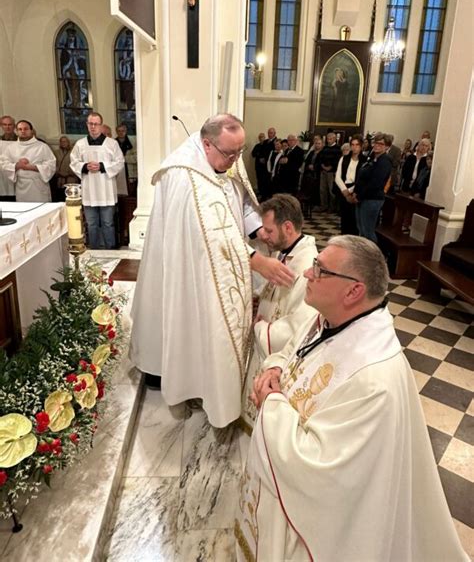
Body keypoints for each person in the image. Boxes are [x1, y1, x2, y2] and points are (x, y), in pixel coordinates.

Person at [236, 236, 469, 562]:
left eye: (320, 270)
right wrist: (275, 369)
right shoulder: (329, 320)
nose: (307, 274)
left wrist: (271, 402)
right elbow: (293, 353)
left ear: (353, 291)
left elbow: (319, 467)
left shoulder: (374, 380)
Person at [130, 114, 294, 428]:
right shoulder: (182, 175)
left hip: (220, 265)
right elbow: (205, 235)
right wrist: (257, 261)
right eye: (229, 154)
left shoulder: (225, 157)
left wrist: (256, 226)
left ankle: (209, 381)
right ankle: (179, 381)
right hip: (188, 268)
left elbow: (241, 198)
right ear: (207, 144)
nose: (235, 161)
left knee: (209, 329)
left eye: (240, 153)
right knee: (186, 326)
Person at [241, 194, 317, 428]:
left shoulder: (306, 265)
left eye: (269, 230)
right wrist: (259, 298)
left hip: (275, 353)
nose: (263, 235)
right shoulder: (284, 251)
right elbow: (275, 293)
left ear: (287, 227)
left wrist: (261, 327)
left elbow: (300, 325)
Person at [70, 112, 124, 249]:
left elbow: (119, 162)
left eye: (96, 124)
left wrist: (102, 166)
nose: (93, 127)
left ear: (101, 125)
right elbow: (73, 162)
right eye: (90, 124)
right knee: (91, 223)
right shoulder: (80, 144)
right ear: (87, 125)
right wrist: (84, 166)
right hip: (89, 190)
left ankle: (110, 250)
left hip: (106, 189)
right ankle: (93, 250)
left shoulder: (112, 144)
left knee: (107, 223)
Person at [0, 119, 55, 202]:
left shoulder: (42, 146)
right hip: (21, 186)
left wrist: (32, 167)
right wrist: (17, 165)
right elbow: (3, 163)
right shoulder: (11, 147)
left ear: (31, 131)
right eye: (20, 129)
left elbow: (51, 164)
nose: (23, 131)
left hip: (38, 185)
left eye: (26, 129)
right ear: (16, 131)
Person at [353, 132, 391, 243]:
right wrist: (356, 192)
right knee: (361, 229)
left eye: (381, 144)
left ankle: (373, 257)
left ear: (387, 146)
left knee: (368, 231)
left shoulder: (384, 161)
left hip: (372, 199)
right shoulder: (372, 159)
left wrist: (359, 196)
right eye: (375, 143)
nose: (377, 145)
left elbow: (375, 183)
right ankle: (363, 255)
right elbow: (361, 177)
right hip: (363, 197)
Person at [335, 134, 366, 235]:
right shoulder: (344, 158)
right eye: (352, 144)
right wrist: (345, 191)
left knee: (355, 221)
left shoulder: (365, 160)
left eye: (357, 145)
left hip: (356, 191)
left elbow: (362, 180)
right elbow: (338, 176)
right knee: (345, 219)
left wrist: (350, 192)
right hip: (344, 189)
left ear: (361, 146)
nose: (354, 147)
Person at [299, 135, 323, 214]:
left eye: (319, 143)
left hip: (317, 174)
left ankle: (315, 204)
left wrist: (315, 167)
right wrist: (309, 166)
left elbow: (321, 163)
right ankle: (306, 204)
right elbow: (306, 161)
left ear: (322, 144)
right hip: (309, 173)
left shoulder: (322, 153)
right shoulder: (312, 152)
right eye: (316, 143)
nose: (317, 145)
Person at [53, 135, 80, 201]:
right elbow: (54, 164)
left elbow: (76, 164)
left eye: (65, 141)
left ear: (68, 142)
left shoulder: (73, 152)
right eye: (62, 142)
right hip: (60, 179)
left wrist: (70, 173)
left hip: (71, 178)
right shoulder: (56, 152)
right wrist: (58, 172)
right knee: (60, 198)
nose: (63, 143)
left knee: (71, 197)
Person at [319, 132, 341, 212]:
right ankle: (324, 205)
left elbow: (337, 160)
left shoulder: (338, 148)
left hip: (332, 172)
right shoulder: (325, 148)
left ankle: (332, 207)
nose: (328, 140)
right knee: (322, 190)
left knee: (331, 190)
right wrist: (323, 166)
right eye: (328, 139)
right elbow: (320, 158)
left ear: (335, 139)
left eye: (330, 139)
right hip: (323, 171)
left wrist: (330, 167)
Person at [251, 131, 270, 200]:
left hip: (265, 167)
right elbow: (253, 154)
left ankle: (265, 195)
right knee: (259, 180)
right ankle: (260, 193)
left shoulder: (267, 145)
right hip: (258, 166)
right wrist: (258, 155)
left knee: (265, 180)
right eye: (260, 137)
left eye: (263, 137)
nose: (261, 138)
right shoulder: (257, 146)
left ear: (265, 138)